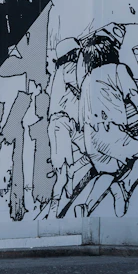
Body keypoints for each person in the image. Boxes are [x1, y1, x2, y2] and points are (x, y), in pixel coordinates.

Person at [76, 35, 138, 213]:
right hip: (109, 132)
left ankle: (85, 207)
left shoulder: (87, 80)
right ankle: (124, 187)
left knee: (107, 173)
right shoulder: (118, 70)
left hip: (90, 139)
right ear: (112, 51)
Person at [46, 37, 82, 205]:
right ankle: (56, 205)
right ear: (72, 54)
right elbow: (82, 87)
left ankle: (67, 200)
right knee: (64, 172)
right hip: (62, 123)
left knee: (69, 169)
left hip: (63, 123)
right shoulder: (68, 69)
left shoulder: (58, 73)